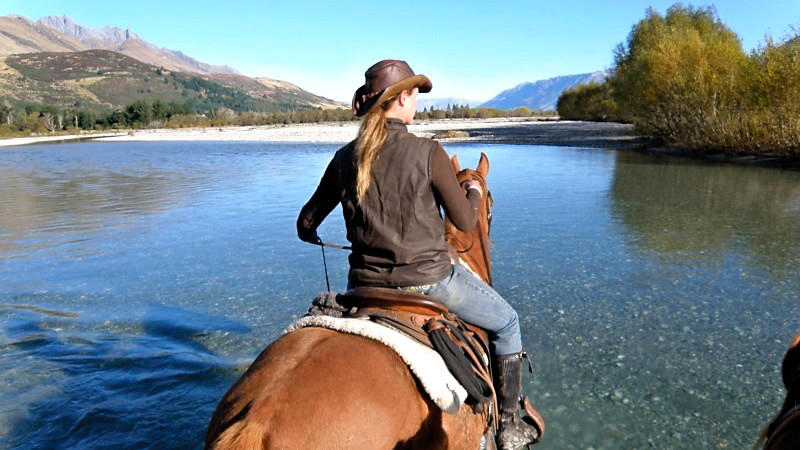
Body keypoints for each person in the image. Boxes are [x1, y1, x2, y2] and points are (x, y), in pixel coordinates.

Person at [296, 59, 539, 449]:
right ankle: (509, 424)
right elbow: (462, 221)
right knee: (507, 322)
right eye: (415, 95)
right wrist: (474, 192)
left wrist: (317, 236)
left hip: (362, 287)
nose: (418, 103)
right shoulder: (427, 152)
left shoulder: (345, 157)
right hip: (429, 281)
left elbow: (305, 224)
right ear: (402, 98)